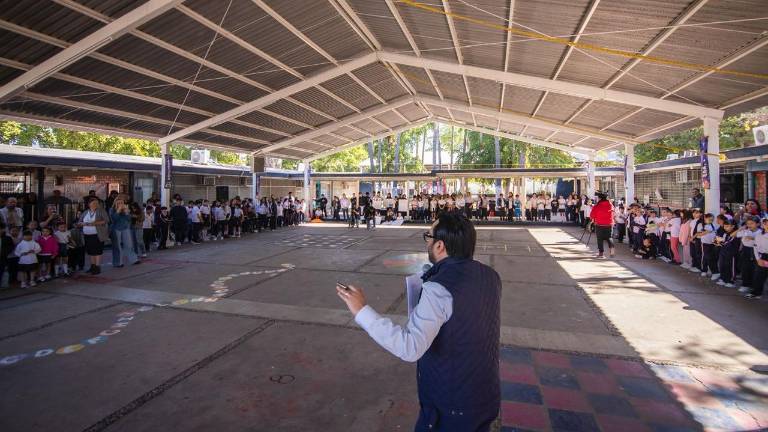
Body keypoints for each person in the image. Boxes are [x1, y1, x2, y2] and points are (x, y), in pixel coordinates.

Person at [336, 213, 501, 431]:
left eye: (428, 237)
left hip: (450, 408)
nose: (427, 242)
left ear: (440, 246)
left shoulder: (439, 289)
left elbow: (411, 347)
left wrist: (361, 310)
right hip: (485, 397)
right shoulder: (490, 277)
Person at [109, 199, 139, 268]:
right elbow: (113, 219)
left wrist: (127, 212)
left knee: (129, 244)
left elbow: (129, 219)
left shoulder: (125, 209)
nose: (120, 204)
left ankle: (133, 259)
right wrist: (118, 211)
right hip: (116, 229)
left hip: (125, 228)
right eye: (119, 203)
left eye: (122, 203)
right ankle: (118, 262)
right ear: (115, 203)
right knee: (117, 246)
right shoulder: (112, 210)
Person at [590, 192, 615, 258]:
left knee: (600, 239)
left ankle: (601, 253)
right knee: (609, 237)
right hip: (609, 224)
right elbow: (613, 213)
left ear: (600, 198)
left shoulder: (597, 206)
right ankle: (612, 250)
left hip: (599, 224)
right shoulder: (610, 205)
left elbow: (592, 215)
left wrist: (594, 218)